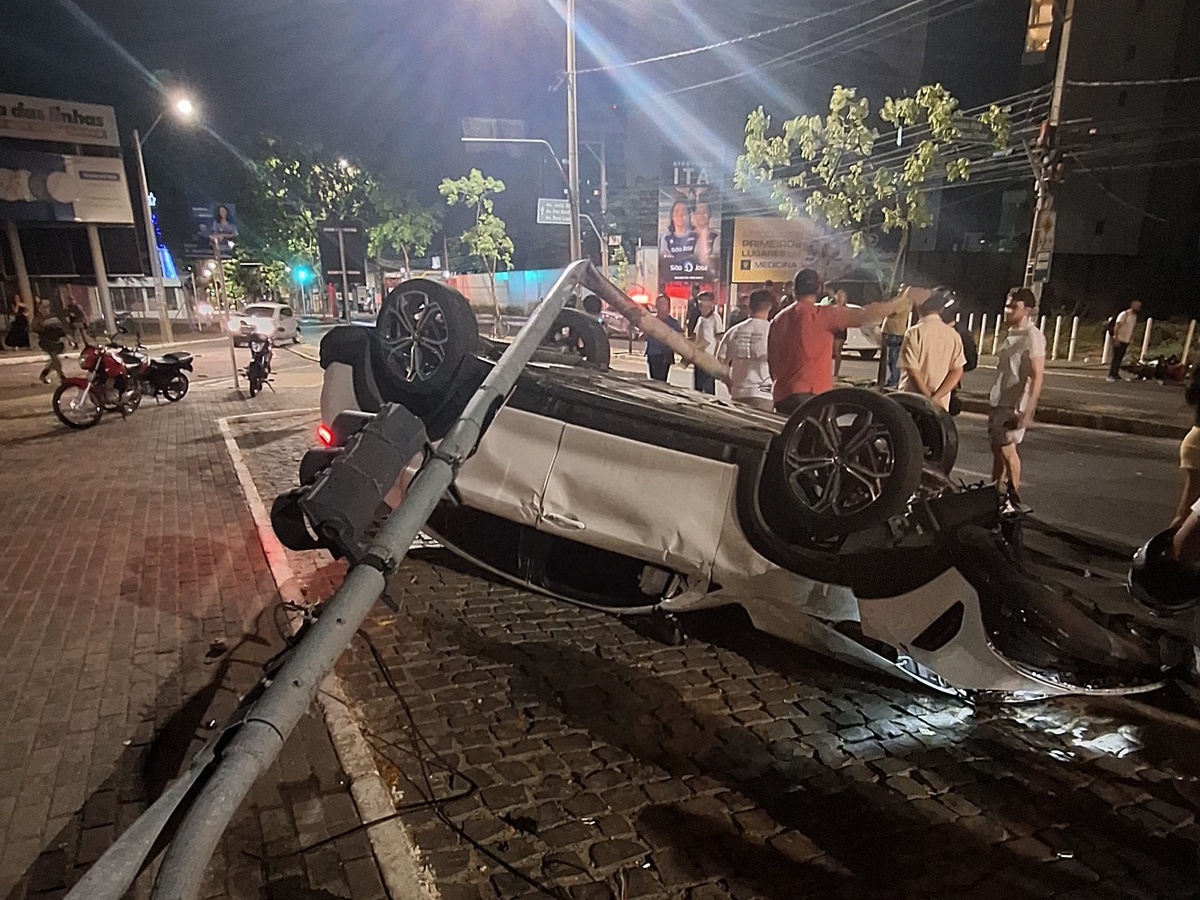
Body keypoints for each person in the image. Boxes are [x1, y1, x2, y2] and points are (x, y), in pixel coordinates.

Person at [768, 269, 908, 415]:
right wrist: (902, 300)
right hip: (812, 396)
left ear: (794, 290)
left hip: (782, 396)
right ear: (819, 288)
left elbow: (772, 362)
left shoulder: (778, 320)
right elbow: (868, 315)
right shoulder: (822, 314)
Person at [988, 287, 1046, 512]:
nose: (1008, 310)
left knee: (1008, 450)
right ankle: (995, 493)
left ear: (1027, 309)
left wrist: (1028, 411)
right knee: (996, 448)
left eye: (1014, 306)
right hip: (999, 399)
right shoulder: (1011, 333)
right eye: (1007, 305)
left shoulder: (1033, 336)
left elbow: (1037, 374)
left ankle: (1013, 498)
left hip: (1014, 403)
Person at [898, 287, 967, 411]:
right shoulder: (953, 335)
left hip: (912, 401)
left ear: (918, 307)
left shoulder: (914, 332)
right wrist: (937, 398)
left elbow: (913, 371)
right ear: (941, 309)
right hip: (940, 405)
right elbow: (957, 371)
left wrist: (928, 398)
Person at [717, 289, 774, 411]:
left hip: (739, 394)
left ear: (750, 306)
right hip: (764, 395)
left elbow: (720, 363)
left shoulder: (733, 331)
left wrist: (730, 384)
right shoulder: (773, 332)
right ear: (770, 307)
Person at [1173, 368, 1200, 528]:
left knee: (1188, 511)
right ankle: (1164, 550)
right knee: (1186, 514)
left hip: (1195, 440)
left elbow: (1191, 397)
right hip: (1197, 444)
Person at [944, 303, 978, 416]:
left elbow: (970, 360)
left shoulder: (960, 333)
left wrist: (955, 370)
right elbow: (971, 361)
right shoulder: (962, 332)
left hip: (946, 385)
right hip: (950, 385)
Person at [691, 291, 724, 395]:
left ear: (711, 303)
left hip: (709, 357)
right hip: (698, 357)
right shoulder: (700, 319)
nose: (701, 303)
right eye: (700, 300)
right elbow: (696, 337)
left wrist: (718, 357)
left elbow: (720, 338)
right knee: (698, 387)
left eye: (705, 300)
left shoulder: (715, 317)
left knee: (708, 386)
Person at [881, 286, 913, 388]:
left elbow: (892, 309)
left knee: (894, 359)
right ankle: (892, 379)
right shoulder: (898, 300)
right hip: (890, 332)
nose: (899, 290)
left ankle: (894, 381)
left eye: (902, 289)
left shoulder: (905, 301)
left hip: (896, 333)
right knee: (890, 358)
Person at [645, 294, 682, 382]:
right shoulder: (651, 320)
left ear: (668, 306)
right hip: (653, 354)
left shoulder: (673, 323)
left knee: (662, 381)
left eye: (664, 303)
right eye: (659, 303)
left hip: (665, 355)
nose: (661, 306)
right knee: (653, 381)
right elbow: (643, 336)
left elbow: (680, 338)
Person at [31, 301, 67, 384]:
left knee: (54, 361)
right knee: (56, 360)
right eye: (43, 307)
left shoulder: (53, 317)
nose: (46, 309)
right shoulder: (38, 319)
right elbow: (34, 328)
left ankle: (44, 375)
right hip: (46, 341)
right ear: (40, 309)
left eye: (47, 307)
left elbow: (60, 328)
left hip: (55, 341)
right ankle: (62, 376)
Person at [1107, 299, 1141, 382]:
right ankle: (1111, 375)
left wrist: (1131, 338)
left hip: (1126, 340)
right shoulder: (1124, 314)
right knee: (1116, 357)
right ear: (1132, 305)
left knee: (1120, 358)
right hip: (1119, 338)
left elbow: (1132, 328)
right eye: (1137, 306)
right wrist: (1116, 337)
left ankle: (1115, 373)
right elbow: (1117, 325)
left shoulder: (1134, 317)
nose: (1139, 308)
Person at [831, 289, 849, 379]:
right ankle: (832, 372)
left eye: (842, 296)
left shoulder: (846, 309)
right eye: (838, 296)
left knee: (837, 352)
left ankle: (836, 373)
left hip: (841, 332)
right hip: (833, 330)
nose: (840, 298)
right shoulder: (833, 308)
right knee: (832, 352)